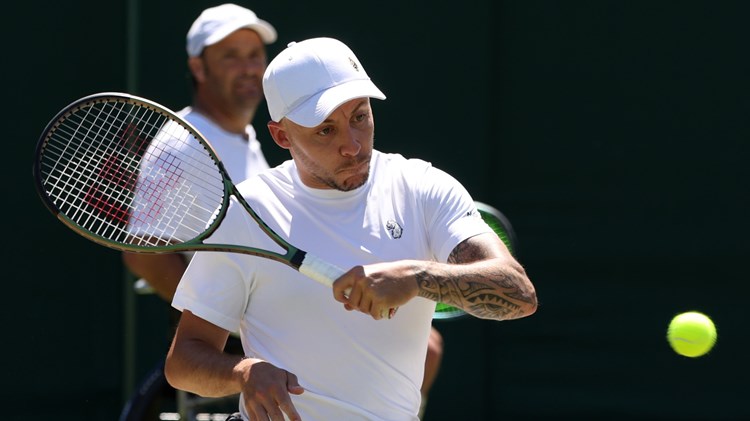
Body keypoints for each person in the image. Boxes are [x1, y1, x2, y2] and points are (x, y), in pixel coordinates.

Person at [164, 37, 538, 421]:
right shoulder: (248, 212)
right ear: (281, 136)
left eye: (359, 117)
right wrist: (242, 372)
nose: (353, 146)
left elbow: (519, 294)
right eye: (326, 130)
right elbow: (183, 361)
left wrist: (415, 277)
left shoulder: (424, 188)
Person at [122, 3, 277, 303]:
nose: (248, 68)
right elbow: (143, 252)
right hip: (225, 345)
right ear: (198, 68)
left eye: (255, 55)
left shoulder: (243, 136)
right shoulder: (180, 144)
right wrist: (219, 321)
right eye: (231, 56)